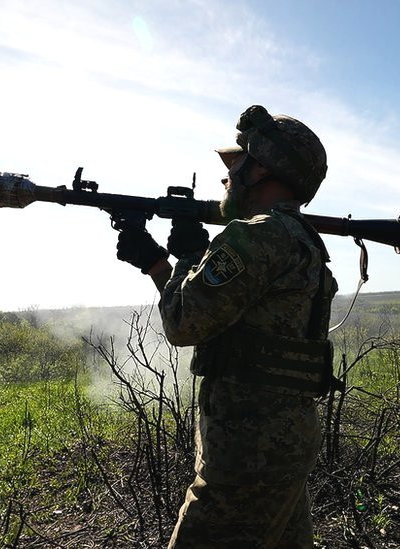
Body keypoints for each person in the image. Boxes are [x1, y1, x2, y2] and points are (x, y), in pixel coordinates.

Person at [111, 105, 338, 548]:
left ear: (263, 171)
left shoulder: (254, 235)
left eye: (236, 165)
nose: (227, 178)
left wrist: (165, 264)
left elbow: (182, 323)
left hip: (248, 450)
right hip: (284, 438)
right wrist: (176, 261)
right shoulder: (303, 239)